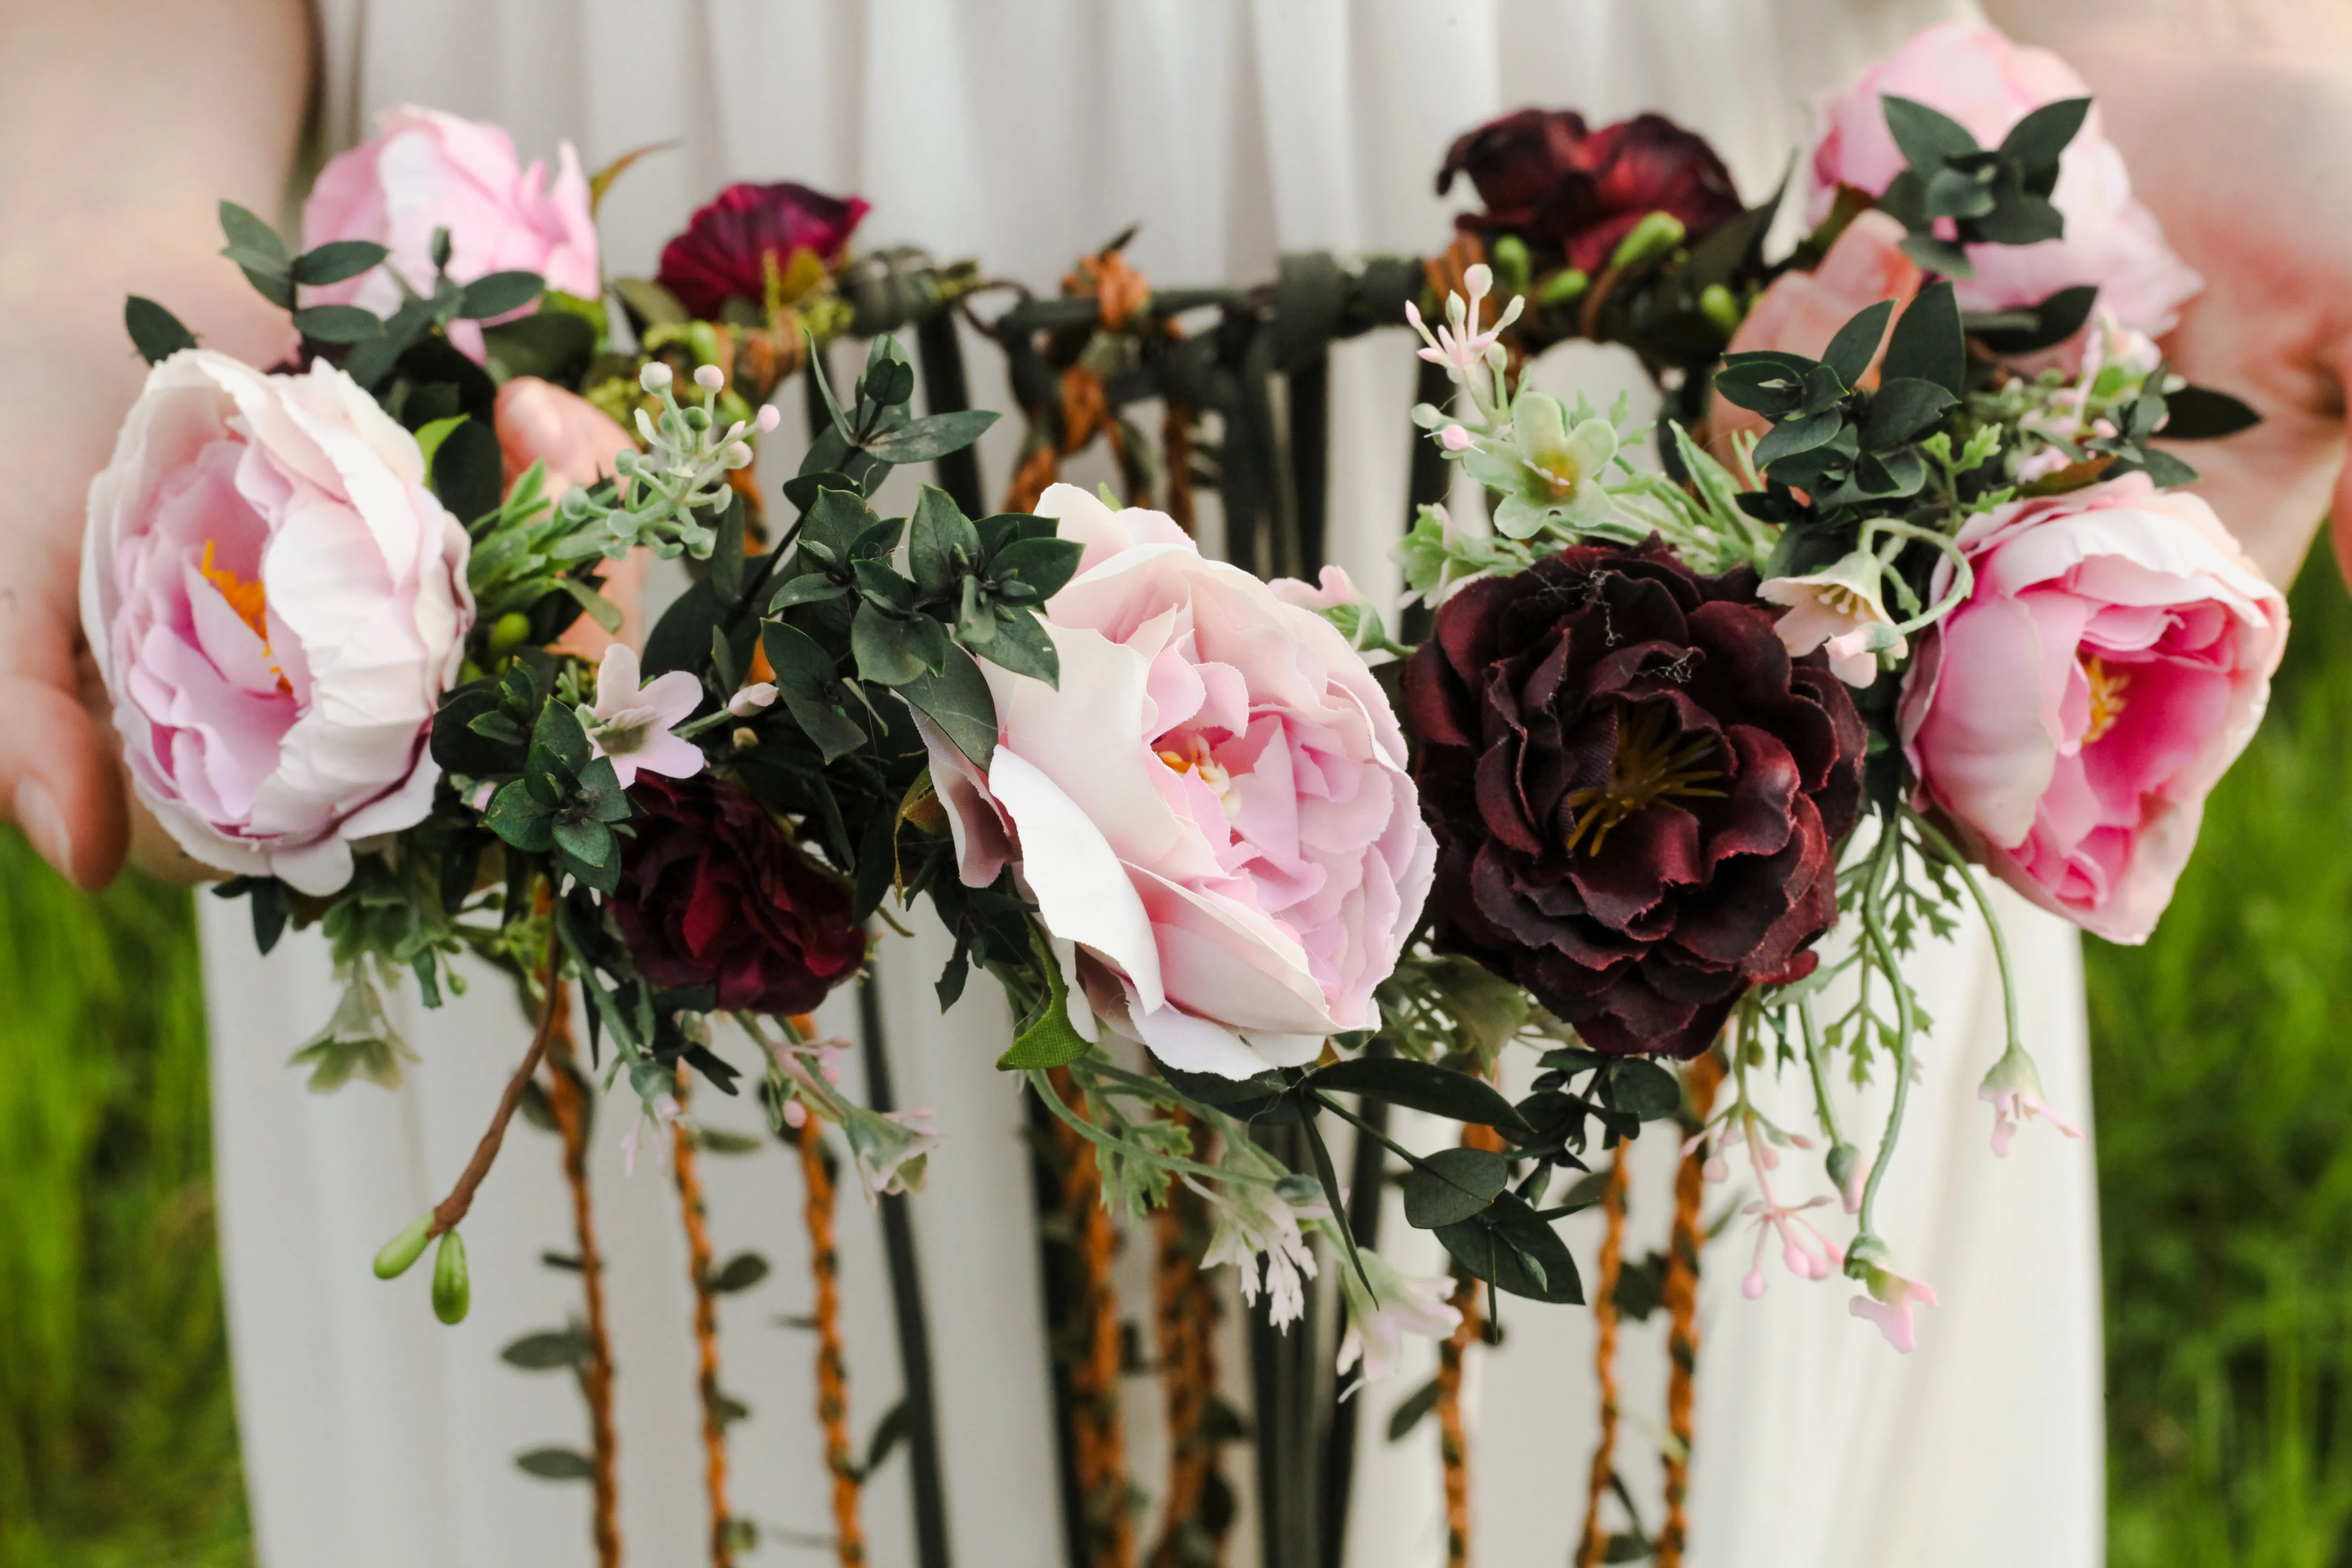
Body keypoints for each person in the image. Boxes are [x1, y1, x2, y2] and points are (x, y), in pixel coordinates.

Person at [3, 1, 2347, 1564]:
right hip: (630, 281)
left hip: (1667, 276)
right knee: (718, 1375)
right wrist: (79, 209)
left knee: (1599, 1418)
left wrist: (2193, 51)